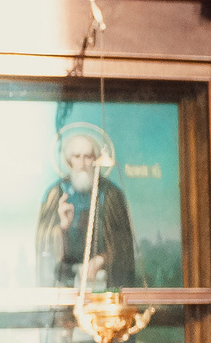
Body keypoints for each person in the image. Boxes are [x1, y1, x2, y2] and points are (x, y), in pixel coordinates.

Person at [34, 124, 140, 289]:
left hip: (104, 283)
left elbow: (123, 243)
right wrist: (63, 227)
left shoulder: (110, 194)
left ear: (96, 159)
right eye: (77, 157)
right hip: (65, 284)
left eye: (88, 156)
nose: (82, 163)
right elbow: (44, 243)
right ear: (69, 161)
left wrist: (102, 259)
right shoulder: (56, 194)